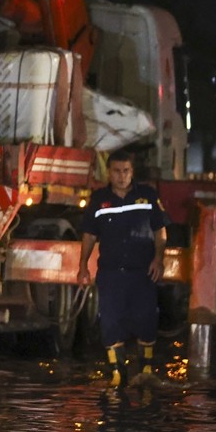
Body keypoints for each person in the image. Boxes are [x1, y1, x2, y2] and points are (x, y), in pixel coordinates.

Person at [77, 149, 168, 397]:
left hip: (143, 273)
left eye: (126, 171)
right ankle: (117, 373)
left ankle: (146, 370)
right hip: (111, 273)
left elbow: (160, 230)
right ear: (109, 172)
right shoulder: (99, 200)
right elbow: (89, 235)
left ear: (132, 171)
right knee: (110, 321)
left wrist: (159, 258)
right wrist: (83, 265)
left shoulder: (147, 196)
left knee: (146, 318)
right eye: (116, 171)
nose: (121, 176)